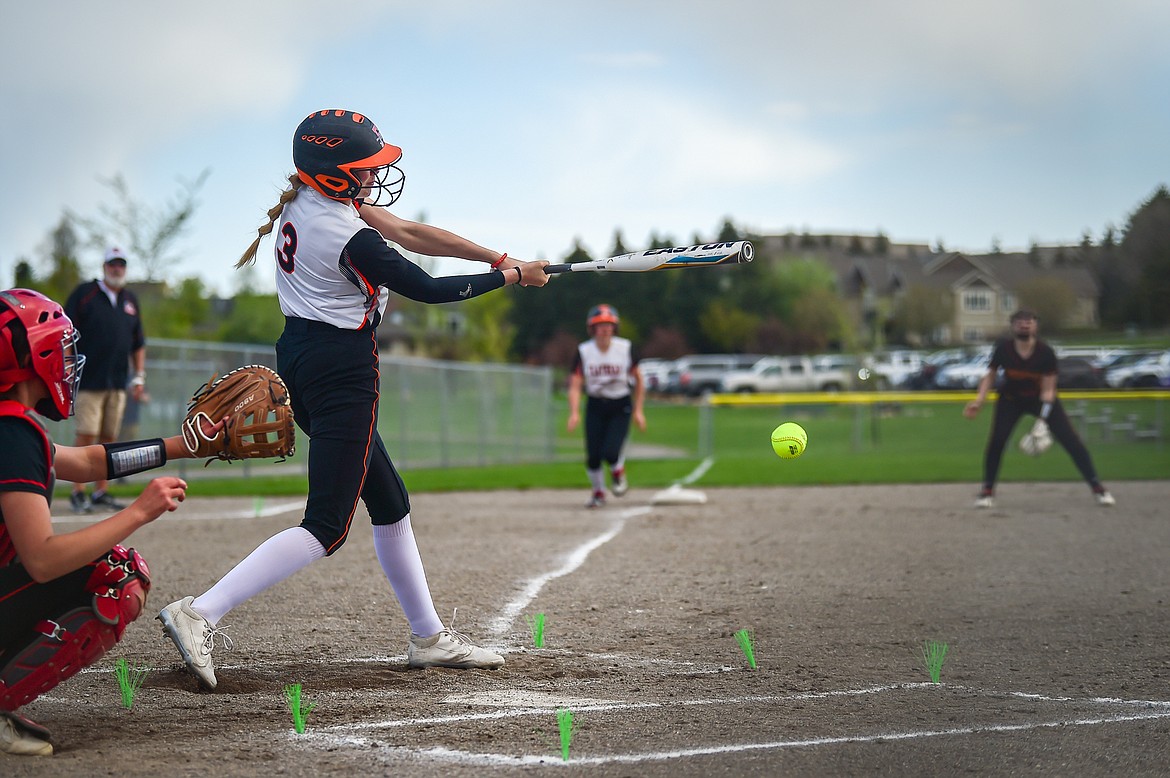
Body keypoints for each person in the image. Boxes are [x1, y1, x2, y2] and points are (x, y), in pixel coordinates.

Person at [157, 108, 550, 689]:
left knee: (389, 500)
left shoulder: (309, 203)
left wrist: (497, 257)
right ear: (334, 174)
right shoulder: (345, 233)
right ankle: (200, 613)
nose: (374, 177)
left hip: (300, 354)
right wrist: (511, 279)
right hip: (342, 367)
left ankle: (428, 637)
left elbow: (414, 233)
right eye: (363, 168)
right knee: (328, 525)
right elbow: (426, 287)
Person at [0, 288, 219, 757]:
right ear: (31, 355)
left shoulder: (13, 426)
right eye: (58, 348)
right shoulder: (12, 434)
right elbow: (41, 559)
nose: (67, 360)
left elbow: (87, 461)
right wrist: (139, 512)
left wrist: (184, 444)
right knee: (117, 576)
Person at [963, 309, 1115, 508]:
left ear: (1036, 326)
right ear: (1012, 325)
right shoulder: (1004, 349)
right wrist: (979, 400)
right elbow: (990, 375)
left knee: (1071, 441)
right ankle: (987, 492)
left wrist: (1042, 421)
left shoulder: (1045, 353)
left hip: (1040, 399)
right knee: (997, 441)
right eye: (1019, 321)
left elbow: (1048, 389)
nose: (1024, 324)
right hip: (1010, 399)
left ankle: (1098, 489)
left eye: (1029, 321)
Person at [64, 247, 147, 514]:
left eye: (121, 264)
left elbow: (138, 344)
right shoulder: (86, 294)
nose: (117, 269)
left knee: (110, 438)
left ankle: (101, 490)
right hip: (89, 380)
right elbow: (65, 332)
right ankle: (78, 492)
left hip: (117, 382)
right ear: (104, 266)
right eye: (113, 264)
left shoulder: (129, 299)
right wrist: (67, 367)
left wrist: (139, 376)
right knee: (86, 435)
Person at [566, 304, 647, 508]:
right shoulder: (584, 351)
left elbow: (639, 380)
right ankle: (599, 492)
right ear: (592, 328)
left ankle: (618, 471)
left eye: (608, 325)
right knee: (593, 456)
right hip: (595, 404)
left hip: (620, 404)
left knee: (610, 453)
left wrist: (638, 410)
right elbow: (575, 384)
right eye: (600, 325)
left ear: (615, 327)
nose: (604, 329)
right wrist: (574, 412)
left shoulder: (625, 348)